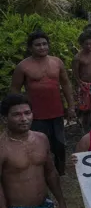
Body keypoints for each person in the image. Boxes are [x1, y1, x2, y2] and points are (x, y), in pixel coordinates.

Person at [9, 31, 76, 176]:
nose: (42, 47)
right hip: (35, 114)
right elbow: (14, 90)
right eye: (38, 45)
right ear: (30, 48)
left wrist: (71, 106)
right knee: (37, 144)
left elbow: (65, 84)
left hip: (57, 111)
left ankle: (61, 172)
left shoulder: (57, 62)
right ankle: (39, 171)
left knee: (59, 144)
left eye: (44, 44)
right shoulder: (23, 66)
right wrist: (18, 113)